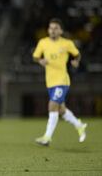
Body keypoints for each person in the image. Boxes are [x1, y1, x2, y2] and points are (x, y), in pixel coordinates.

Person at [32, 18, 87, 146]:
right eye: (51, 28)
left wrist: (76, 61)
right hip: (50, 81)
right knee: (61, 109)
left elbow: (77, 54)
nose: (53, 31)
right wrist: (40, 61)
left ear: (61, 31)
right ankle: (79, 125)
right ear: (48, 30)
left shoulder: (67, 43)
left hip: (62, 80)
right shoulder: (43, 42)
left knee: (52, 105)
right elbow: (35, 56)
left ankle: (47, 137)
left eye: (56, 28)